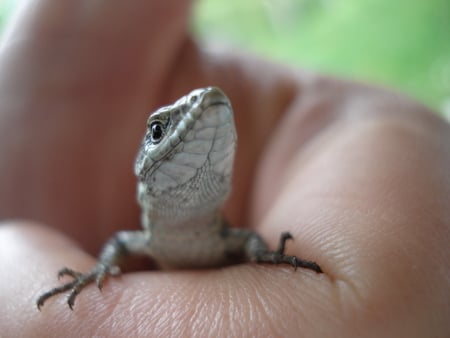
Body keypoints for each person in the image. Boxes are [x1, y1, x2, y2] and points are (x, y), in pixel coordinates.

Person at [0, 1, 448, 336]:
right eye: (159, 131)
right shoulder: (147, 238)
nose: (204, 103)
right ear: (143, 171)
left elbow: (249, 240)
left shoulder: (213, 237)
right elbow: (118, 244)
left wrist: (265, 256)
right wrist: (100, 270)